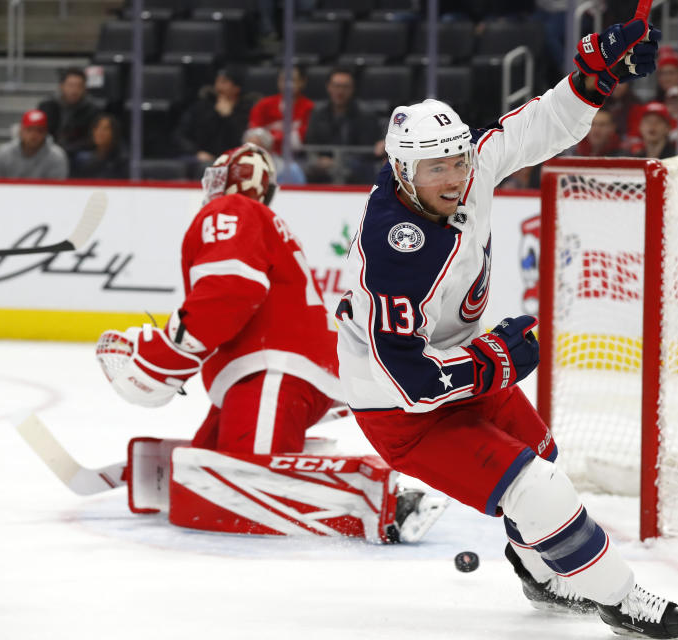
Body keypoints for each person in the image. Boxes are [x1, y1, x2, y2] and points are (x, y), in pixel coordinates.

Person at [335, 18, 678, 640]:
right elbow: (412, 383)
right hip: (399, 406)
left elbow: (534, 127)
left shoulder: (466, 171)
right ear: (401, 174)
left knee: (542, 457)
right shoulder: (394, 251)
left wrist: (594, 74)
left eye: (457, 160)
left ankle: (539, 574)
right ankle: (622, 602)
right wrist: (497, 360)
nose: (454, 178)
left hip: (458, 361)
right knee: (539, 488)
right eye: (435, 171)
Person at [95, 143, 445, 542]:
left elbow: (230, 291)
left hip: (273, 374)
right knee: (207, 465)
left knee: (243, 486)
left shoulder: (230, 210)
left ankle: (388, 503)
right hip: (274, 376)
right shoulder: (263, 219)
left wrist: (165, 355)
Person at [303, 67, 384, 184]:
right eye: (336, 86)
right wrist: (318, 160)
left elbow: (367, 152)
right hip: (323, 168)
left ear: (352, 89)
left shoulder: (366, 115)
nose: (340, 91)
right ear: (328, 87)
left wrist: (337, 162)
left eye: (345, 87)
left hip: (356, 169)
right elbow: (311, 144)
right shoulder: (318, 113)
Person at [174, 67, 254, 176]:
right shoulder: (201, 107)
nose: (219, 86)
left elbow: (244, 140)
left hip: (233, 159)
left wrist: (228, 117)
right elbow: (180, 135)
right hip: (200, 157)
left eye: (224, 82)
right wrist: (197, 152)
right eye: (217, 81)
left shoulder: (246, 109)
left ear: (236, 88)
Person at [248, 66, 314, 158]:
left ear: (302, 82)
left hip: (297, 159)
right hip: (264, 157)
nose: (287, 84)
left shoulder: (309, 107)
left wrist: (269, 137)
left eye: (292, 80)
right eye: (283, 79)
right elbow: (253, 137)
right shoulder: (263, 105)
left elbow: (297, 142)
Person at [37, 67, 100, 159]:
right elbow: (41, 132)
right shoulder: (47, 106)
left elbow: (91, 139)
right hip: (49, 150)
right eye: (70, 85)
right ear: (61, 86)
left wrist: (67, 149)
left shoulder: (92, 109)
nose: (74, 91)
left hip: (77, 151)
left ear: (85, 88)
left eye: (79, 86)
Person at [0, 109, 69, 179]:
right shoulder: (4, 153)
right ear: (21, 131)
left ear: (45, 133)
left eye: (39, 130)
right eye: (29, 130)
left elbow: (56, 189)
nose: (34, 135)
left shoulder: (57, 157)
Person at [70, 113, 129, 179]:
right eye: (97, 128)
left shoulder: (121, 160)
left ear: (114, 133)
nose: (100, 132)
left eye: (105, 129)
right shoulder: (81, 156)